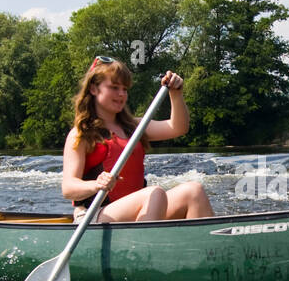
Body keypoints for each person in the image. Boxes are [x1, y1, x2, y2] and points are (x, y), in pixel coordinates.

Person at [61, 57, 213, 222]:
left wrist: (175, 93)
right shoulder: (81, 134)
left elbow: (178, 127)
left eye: (124, 89)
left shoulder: (135, 126)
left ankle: (206, 246)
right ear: (93, 89)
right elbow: (68, 188)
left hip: (139, 210)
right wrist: (96, 185)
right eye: (114, 87)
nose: (121, 94)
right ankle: (147, 245)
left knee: (194, 191)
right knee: (154, 193)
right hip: (94, 214)